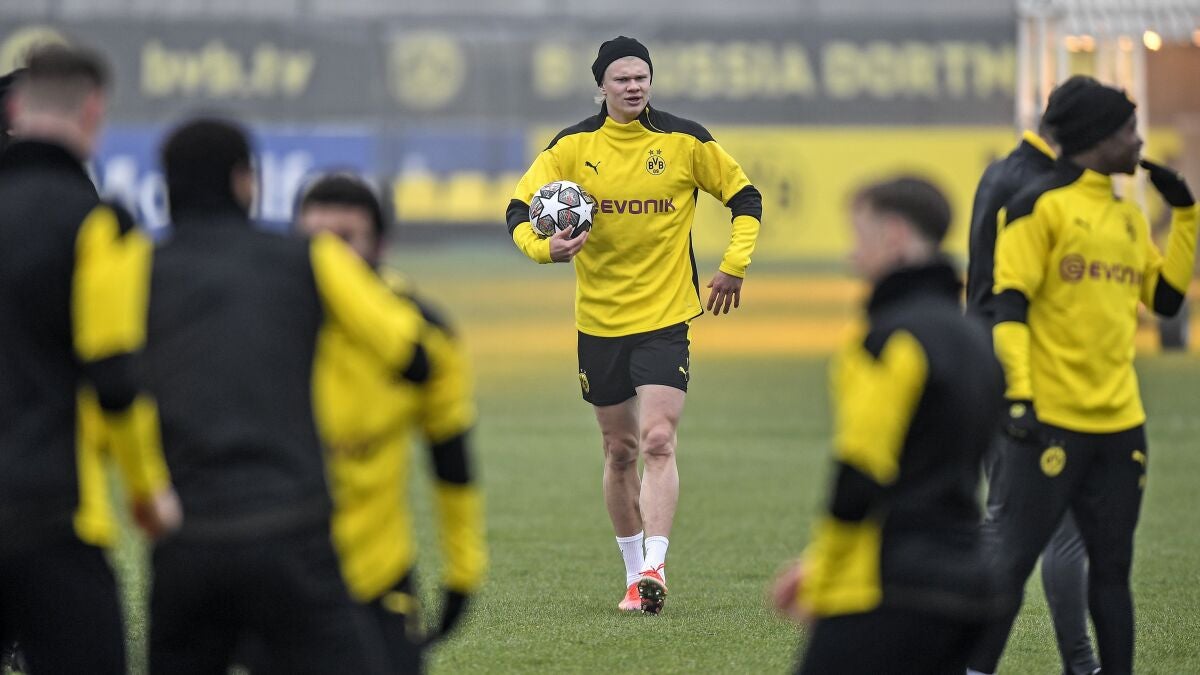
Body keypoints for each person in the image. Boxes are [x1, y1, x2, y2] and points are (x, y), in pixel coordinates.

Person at [138, 118, 433, 674]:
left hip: (188, 534)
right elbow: (408, 351)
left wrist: (143, 489)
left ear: (165, 186)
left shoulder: (138, 269)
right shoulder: (307, 258)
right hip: (290, 527)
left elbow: (106, 387)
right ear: (246, 180)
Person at [505, 35, 762, 614]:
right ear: (601, 86)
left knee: (657, 440)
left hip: (665, 317)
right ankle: (631, 576)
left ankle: (655, 567)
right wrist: (547, 250)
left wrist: (734, 266)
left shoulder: (686, 141)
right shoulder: (571, 147)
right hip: (598, 322)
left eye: (641, 76)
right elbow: (518, 210)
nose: (633, 86)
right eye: (621, 78)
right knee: (619, 449)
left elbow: (746, 198)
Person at [967, 75, 1198, 675]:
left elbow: (1167, 299)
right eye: (1128, 129)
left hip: (1120, 425)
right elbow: (1008, 308)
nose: (1139, 140)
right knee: (1011, 564)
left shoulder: (1127, 217)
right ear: (1098, 137)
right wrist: (1020, 397)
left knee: (1113, 573)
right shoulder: (1037, 206)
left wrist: (1186, 215)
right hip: (1048, 420)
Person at [772, 177, 1003, 674]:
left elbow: (860, 474)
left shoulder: (888, 339)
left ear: (894, 235)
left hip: (889, 587)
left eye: (859, 237)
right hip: (970, 584)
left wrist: (824, 579)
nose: (852, 257)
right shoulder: (975, 338)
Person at [0, 45, 178, 673]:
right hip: (52, 510)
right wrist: (146, 489)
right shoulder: (99, 224)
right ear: (94, 112)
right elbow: (114, 373)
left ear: (16, 111)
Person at [295, 174, 486, 672]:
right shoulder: (261, 328)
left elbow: (451, 459)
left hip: (377, 572)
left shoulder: (424, 332)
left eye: (345, 240)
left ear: (380, 246)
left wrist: (463, 569)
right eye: (314, 243)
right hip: (279, 572)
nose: (329, 259)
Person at [966, 123, 1100, 675]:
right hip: (1025, 370)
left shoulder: (1001, 172)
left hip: (987, 362)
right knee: (1052, 529)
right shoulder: (1039, 187)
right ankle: (1079, 664)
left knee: (1008, 521)